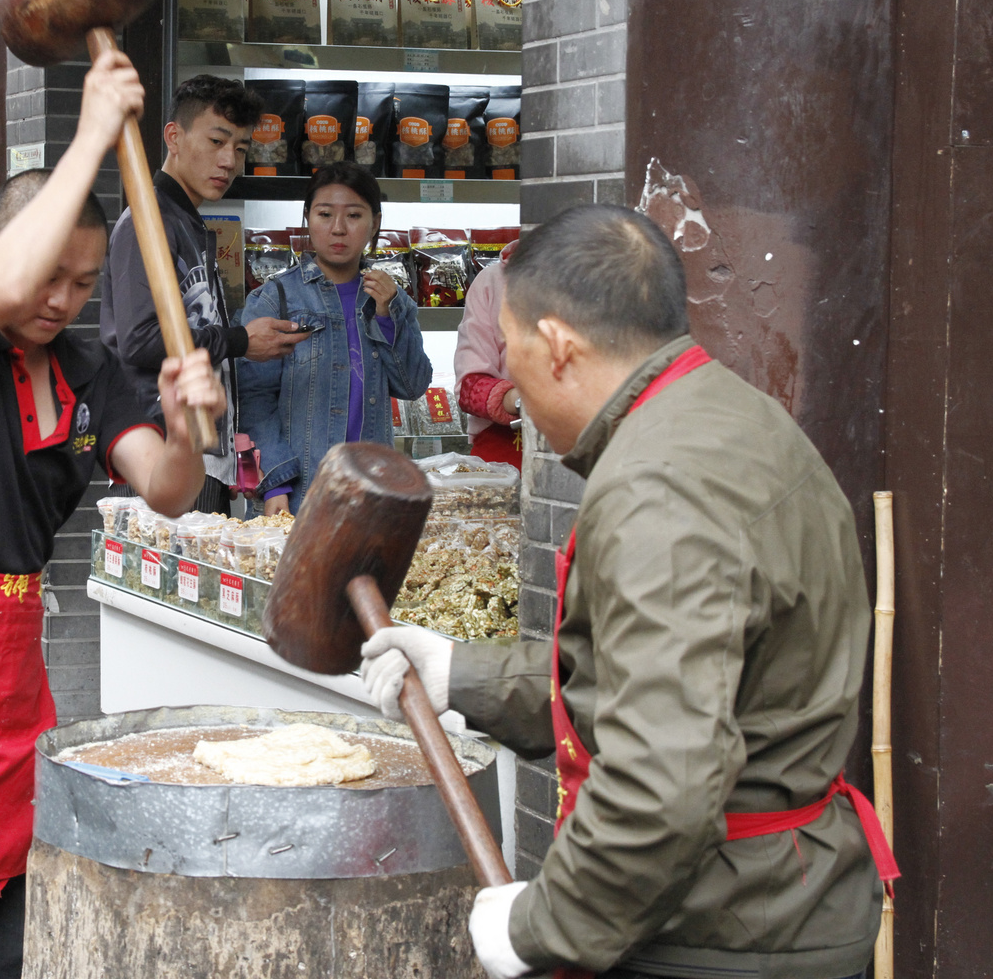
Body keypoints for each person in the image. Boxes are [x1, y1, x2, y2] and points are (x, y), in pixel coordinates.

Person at [359, 205, 899, 979]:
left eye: (509, 351)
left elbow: (661, 783)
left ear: (556, 346)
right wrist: (462, 672)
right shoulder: (728, 415)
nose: (507, 376)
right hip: (781, 897)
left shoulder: (661, 487)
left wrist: (542, 925)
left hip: (728, 932)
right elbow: (654, 677)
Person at [0, 48, 227, 979]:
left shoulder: (90, 370)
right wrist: (95, 132)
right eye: (49, 274)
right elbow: (7, 294)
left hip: (11, 667)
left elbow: (169, 489)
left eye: (84, 283)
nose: (60, 300)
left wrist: (182, 427)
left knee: (20, 931)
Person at [98, 74, 311, 513]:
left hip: (195, 459)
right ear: (173, 137)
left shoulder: (185, 221)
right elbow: (138, 339)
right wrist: (239, 341)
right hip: (155, 460)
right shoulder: (149, 220)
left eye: (240, 148)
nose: (229, 160)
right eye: (217, 141)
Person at [239, 163, 432, 513]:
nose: (338, 228)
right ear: (308, 218)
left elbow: (413, 385)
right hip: (296, 496)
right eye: (325, 214)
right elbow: (253, 400)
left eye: (354, 216)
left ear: (374, 223)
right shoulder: (275, 300)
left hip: (371, 495)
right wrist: (275, 484)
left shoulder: (390, 299)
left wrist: (388, 314)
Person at [454, 259, 523, 468]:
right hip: (507, 443)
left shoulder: (609, 275)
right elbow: (469, 389)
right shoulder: (493, 280)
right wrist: (519, 399)